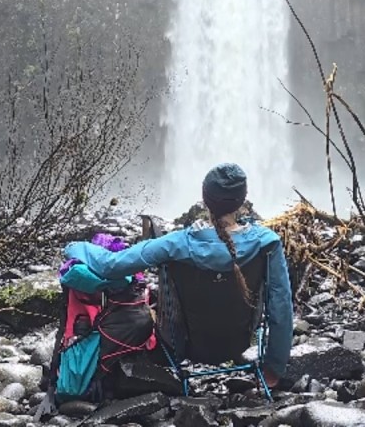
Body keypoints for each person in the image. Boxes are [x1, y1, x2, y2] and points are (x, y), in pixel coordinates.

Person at [63, 163, 293, 387]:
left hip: (182, 346)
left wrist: (74, 247)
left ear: (205, 199)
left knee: (135, 299)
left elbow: (110, 266)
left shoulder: (176, 243)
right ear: (243, 200)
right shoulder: (267, 243)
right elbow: (280, 307)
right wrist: (275, 367)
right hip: (241, 342)